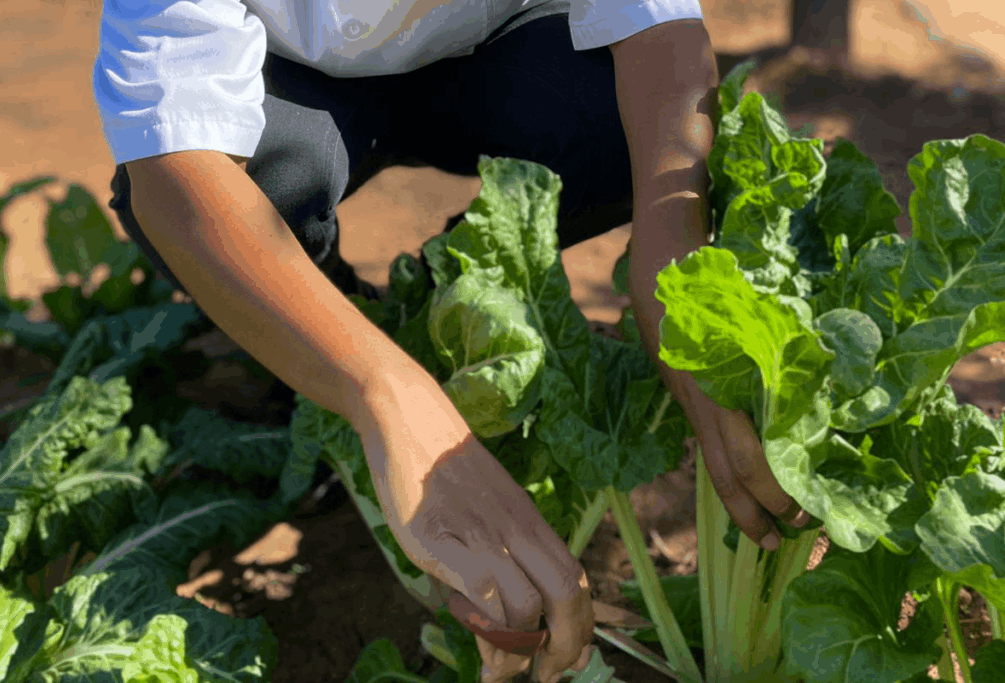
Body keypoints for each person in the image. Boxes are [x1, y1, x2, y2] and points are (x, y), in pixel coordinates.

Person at [93, 1, 811, 681]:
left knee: (619, 119)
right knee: (265, 179)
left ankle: (455, 289)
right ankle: (330, 328)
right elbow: (171, 170)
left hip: (505, 47)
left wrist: (670, 252)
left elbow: (656, 29)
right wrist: (386, 394)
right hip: (295, 81)